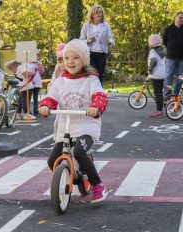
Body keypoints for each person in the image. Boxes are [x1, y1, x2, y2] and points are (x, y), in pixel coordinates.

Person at [38, 39, 108, 203]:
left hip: (87, 126)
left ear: (84, 60)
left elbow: (99, 95)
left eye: (75, 58)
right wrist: (45, 106)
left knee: (79, 152)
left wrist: (96, 107)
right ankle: (74, 176)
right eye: (66, 58)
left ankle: (98, 185)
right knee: (52, 161)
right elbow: (50, 97)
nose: (70, 61)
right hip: (66, 127)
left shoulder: (91, 80)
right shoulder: (60, 81)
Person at [80, 5, 114, 85]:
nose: (100, 14)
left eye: (101, 12)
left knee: (100, 75)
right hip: (90, 53)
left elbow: (111, 39)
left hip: (102, 53)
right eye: (97, 12)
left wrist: (108, 42)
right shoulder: (87, 25)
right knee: (93, 74)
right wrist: (87, 41)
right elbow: (81, 40)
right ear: (92, 14)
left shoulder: (105, 25)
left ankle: (99, 93)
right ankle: (92, 92)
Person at [163, 12, 183, 97]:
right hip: (170, 58)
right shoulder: (168, 29)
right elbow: (165, 41)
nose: (182, 20)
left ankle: (176, 96)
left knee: (181, 78)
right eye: (180, 18)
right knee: (168, 77)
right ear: (175, 18)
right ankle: (167, 96)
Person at [147, 34, 166, 118]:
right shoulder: (163, 50)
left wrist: (149, 69)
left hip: (155, 75)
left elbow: (154, 61)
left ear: (151, 43)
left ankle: (159, 111)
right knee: (160, 93)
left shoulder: (153, 51)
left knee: (157, 93)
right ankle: (161, 108)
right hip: (162, 74)